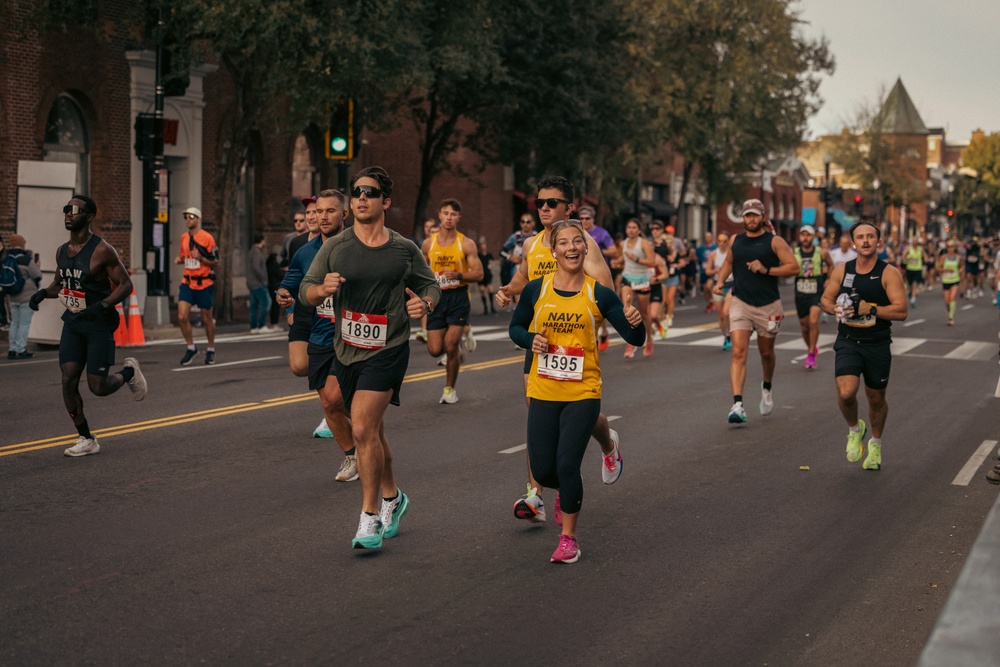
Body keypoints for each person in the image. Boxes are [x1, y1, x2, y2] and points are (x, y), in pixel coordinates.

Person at [300, 166, 441, 550]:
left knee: (362, 428)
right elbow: (306, 289)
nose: (362, 197)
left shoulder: (403, 248)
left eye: (371, 192)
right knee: (372, 432)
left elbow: (429, 284)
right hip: (346, 350)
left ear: (385, 202)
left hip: (389, 348)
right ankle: (395, 497)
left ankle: (370, 517)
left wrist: (425, 303)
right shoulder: (336, 247)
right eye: (357, 192)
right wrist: (319, 291)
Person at [509, 220, 645, 563]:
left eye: (578, 242)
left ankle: (568, 539)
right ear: (553, 252)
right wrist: (530, 339)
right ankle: (567, 492)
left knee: (567, 464)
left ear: (586, 249)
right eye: (564, 243)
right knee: (542, 470)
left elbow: (634, 339)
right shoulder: (536, 290)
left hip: (582, 392)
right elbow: (515, 327)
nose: (571, 248)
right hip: (543, 389)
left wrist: (636, 322)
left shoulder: (597, 293)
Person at [495, 176, 622, 526]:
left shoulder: (584, 245)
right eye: (540, 203)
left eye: (552, 203)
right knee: (538, 411)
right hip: (539, 342)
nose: (545, 209)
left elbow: (605, 293)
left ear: (569, 207)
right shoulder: (534, 244)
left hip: (576, 346)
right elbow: (524, 275)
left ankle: (608, 444)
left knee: (576, 418)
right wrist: (508, 289)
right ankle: (535, 494)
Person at [28, 196, 147, 456]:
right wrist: (42, 294)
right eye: (65, 210)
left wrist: (104, 305)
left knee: (98, 388)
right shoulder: (61, 250)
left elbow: (126, 285)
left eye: (74, 210)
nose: (68, 214)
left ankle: (128, 373)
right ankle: (86, 438)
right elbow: (60, 284)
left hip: (99, 325)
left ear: (89, 216)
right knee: (68, 379)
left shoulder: (102, 250)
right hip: (73, 322)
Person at [276, 189, 359, 482]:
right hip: (320, 334)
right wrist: (284, 296)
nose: (323, 217)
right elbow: (288, 285)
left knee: (336, 398)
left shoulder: (358, 246)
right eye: (319, 212)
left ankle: (367, 436)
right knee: (328, 405)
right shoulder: (305, 253)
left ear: (344, 214)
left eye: (330, 211)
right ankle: (353, 455)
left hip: (350, 336)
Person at [820, 220, 908, 471]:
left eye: (871, 236)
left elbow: (901, 311)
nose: (866, 241)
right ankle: (854, 429)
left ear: (879, 242)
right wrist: (834, 307)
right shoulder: (842, 270)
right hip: (848, 340)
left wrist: (870, 308)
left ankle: (876, 445)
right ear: (853, 242)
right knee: (846, 392)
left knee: (876, 398)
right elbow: (825, 299)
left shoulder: (889, 273)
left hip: (877, 343)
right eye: (860, 237)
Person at [712, 199, 798, 424]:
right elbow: (729, 262)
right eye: (747, 215)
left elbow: (794, 267)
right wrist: (720, 281)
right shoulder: (736, 240)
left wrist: (766, 269)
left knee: (766, 353)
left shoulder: (774, 241)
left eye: (755, 215)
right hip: (741, 302)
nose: (751, 219)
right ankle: (737, 404)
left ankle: (767, 388)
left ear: (762, 217)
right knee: (738, 352)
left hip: (769, 305)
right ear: (743, 218)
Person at [421, 198, 484, 404]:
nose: (449, 217)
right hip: (437, 297)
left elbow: (479, 273)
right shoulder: (428, 244)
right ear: (439, 215)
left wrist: (458, 275)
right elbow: (421, 272)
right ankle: (456, 350)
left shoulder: (465, 243)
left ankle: (449, 389)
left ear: (459, 217)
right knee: (434, 350)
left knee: (450, 344)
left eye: (453, 214)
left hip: (457, 297)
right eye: (445, 213)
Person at [174, 207, 219, 365]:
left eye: (191, 217)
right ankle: (191, 347)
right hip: (188, 282)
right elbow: (185, 256)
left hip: (204, 283)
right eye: (186, 217)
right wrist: (180, 259)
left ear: (198, 219)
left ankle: (211, 349)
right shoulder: (183, 238)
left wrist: (201, 258)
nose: (188, 219)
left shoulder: (208, 238)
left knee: (207, 318)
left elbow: (216, 261)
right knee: (181, 316)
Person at [793, 225, 833, 370]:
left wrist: (829, 278)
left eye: (808, 235)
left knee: (813, 321)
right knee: (804, 326)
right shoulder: (794, 253)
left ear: (813, 237)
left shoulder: (822, 252)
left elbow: (831, 265)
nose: (805, 238)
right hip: (800, 291)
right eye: (802, 235)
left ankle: (810, 355)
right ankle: (812, 346)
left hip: (816, 291)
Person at [578, 206, 618, 349]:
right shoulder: (575, 232)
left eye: (587, 218)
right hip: (579, 276)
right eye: (581, 218)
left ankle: (604, 331)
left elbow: (613, 251)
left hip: (597, 275)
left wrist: (597, 250)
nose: (584, 221)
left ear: (593, 219)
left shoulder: (601, 233)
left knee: (598, 304)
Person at [619, 218, 657, 357]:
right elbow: (624, 259)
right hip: (627, 278)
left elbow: (652, 262)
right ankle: (631, 343)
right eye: (629, 227)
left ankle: (649, 340)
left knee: (643, 313)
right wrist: (618, 261)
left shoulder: (644, 243)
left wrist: (636, 259)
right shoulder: (623, 243)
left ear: (639, 230)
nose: (631, 230)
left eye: (634, 227)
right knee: (627, 311)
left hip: (642, 280)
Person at [5, 234, 43, 359]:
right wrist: (37, 267)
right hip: (26, 296)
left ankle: (12, 349)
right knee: (24, 323)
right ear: (22, 244)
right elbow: (37, 274)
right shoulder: (26, 259)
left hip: (12, 295)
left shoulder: (7, 257)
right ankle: (21, 350)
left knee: (14, 323)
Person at [705, 232, 732, 351]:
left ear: (728, 242)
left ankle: (731, 334)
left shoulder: (732, 253)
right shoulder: (713, 254)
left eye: (724, 241)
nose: (722, 243)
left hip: (731, 284)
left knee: (727, 312)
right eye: (720, 241)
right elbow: (707, 271)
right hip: (718, 286)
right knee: (721, 315)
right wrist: (715, 271)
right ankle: (726, 336)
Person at [246, 232, 270, 333]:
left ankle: (253, 326)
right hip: (258, 283)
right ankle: (261, 325)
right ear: (262, 240)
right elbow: (256, 267)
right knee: (266, 302)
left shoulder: (252, 251)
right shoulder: (256, 252)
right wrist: (263, 279)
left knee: (254, 305)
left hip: (251, 282)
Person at [937, 239, 963, 325]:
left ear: (954, 248)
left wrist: (960, 270)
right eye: (948, 247)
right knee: (946, 301)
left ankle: (951, 317)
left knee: (952, 297)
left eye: (951, 247)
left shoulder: (958, 257)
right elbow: (938, 268)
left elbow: (962, 266)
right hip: (946, 280)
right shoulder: (944, 257)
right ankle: (949, 311)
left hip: (955, 279)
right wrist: (945, 269)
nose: (950, 249)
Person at [696, 231, 719, 312]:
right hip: (703, 271)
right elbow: (697, 258)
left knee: (708, 286)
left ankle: (712, 300)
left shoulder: (715, 248)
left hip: (712, 271)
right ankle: (709, 302)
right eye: (706, 237)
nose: (707, 238)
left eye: (709, 237)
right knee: (705, 288)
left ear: (711, 237)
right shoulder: (701, 248)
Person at [901, 238, 925, 307]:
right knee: (910, 284)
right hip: (910, 268)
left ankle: (913, 299)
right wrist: (908, 258)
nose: (915, 242)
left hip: (918, 268)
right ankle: (911, 294)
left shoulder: (921, 249)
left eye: (916, 240)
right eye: (914, 240)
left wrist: (926, 259)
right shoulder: (908, 248)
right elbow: (903, 256)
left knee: (915, 284)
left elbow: (924, 255)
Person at [476, 236, 496, 315]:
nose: (483, 246)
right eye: (481, 245)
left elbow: (492, 264)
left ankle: (492, 306)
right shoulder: (478, 256)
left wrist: (491, 268)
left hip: (488, 275)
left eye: (484, 244)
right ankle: (485, 308)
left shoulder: (489, 255)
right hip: (481, 276)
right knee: (482, 291)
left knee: (490, 289)